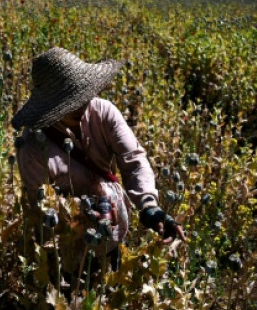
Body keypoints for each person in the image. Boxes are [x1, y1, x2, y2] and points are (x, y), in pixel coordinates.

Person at [12, 47, 185, 260]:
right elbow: (40, 207)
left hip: (113, 232)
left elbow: (134, 160)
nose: (79, 106)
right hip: (65, 246)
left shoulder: (103, 112)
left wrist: (149, 206)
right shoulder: (32, 147)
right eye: (68, 103)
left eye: (82, 96)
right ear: (49, 105)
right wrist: (81, 212)